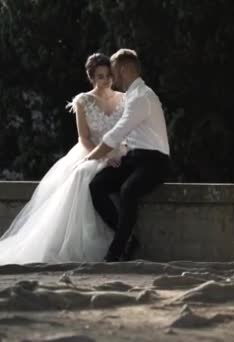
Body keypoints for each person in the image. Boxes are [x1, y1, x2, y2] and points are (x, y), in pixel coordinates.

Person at [0, 53, 127, 267]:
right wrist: (102, 156)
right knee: (82, 175)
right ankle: (86, 242)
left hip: (120, 151)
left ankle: (121, 239)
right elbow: (83, 138)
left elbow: (128, 132)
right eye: (100, 76)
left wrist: (122, 152)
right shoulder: (84, 101)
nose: (106, 81)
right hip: (92, 151)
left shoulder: (123, 98)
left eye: (108, 76)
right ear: (92, 78)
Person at [86, 49, 170, 262]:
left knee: (128, 191)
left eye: (113, 71)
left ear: (122, 70)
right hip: (133, 159)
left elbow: (116, 133)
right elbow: (125, 138)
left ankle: (116, 252)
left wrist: (90, 157)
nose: (111, 77)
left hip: (155, 162)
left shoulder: (143, 96)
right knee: (97, 185)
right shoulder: (131, 96)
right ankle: (128, 238)